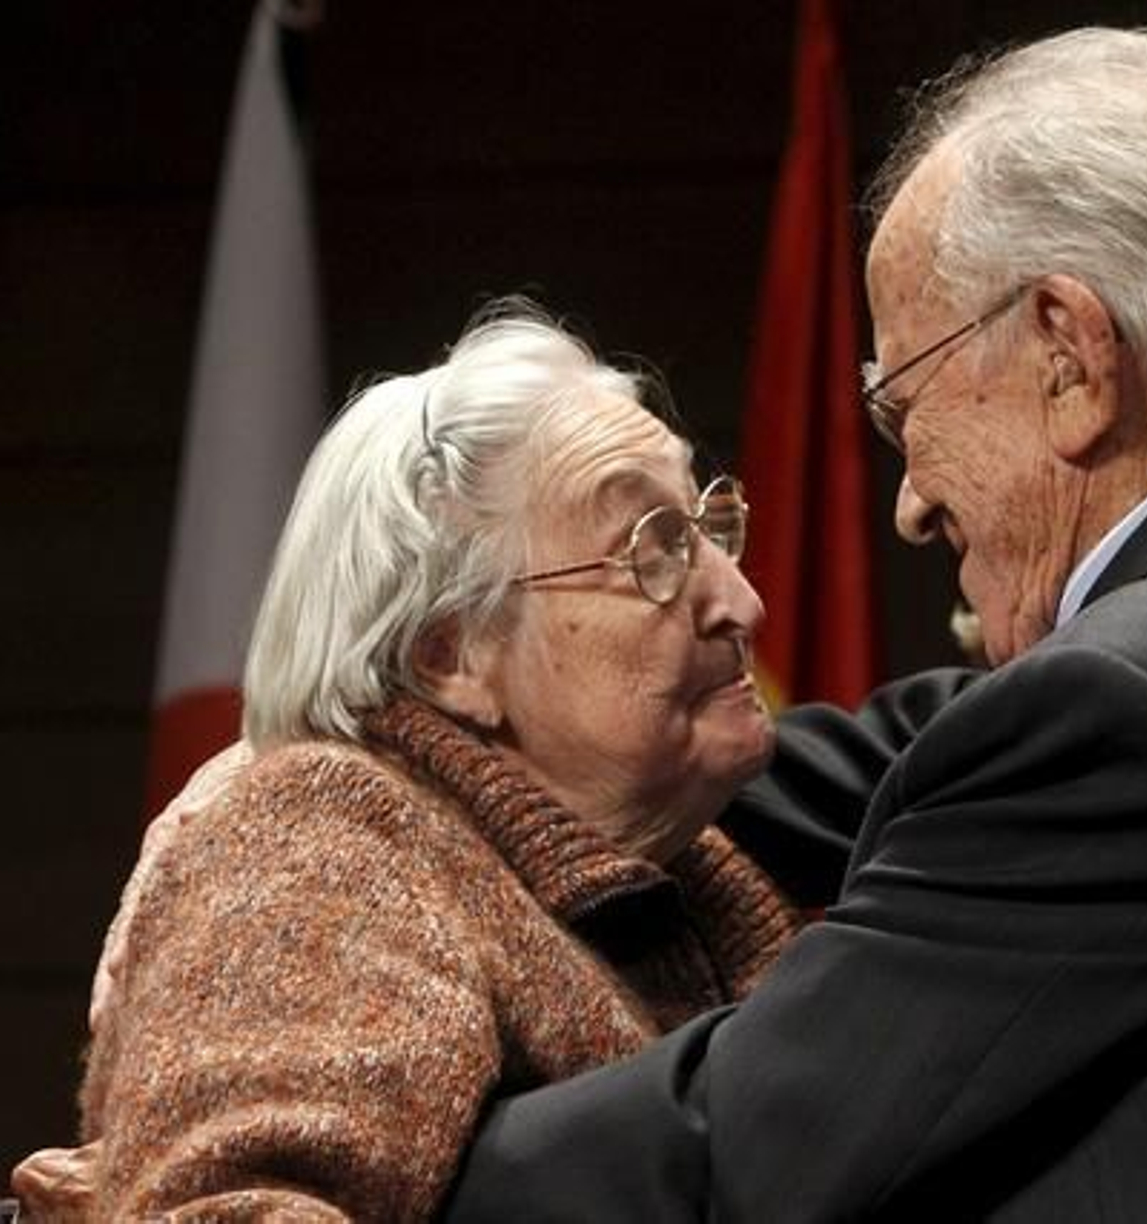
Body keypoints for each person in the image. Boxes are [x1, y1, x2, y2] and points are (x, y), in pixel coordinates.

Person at [441, 27, 1147, 1222]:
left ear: (1067, 353)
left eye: (906, 412)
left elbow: (739, 1150)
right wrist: (460, 743)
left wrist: (396, 1135)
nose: (909, 503)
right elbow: (898, 754)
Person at [13, 298, 817, 1219]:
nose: (742, 602)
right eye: (653, 553)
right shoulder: (326, 857)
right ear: (453, 654)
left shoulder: (685, 879)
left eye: (709, 528)